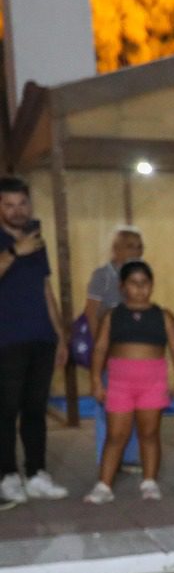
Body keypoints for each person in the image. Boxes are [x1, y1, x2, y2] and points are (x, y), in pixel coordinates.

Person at [83, 261, 174, 503]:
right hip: (120, 384)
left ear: (152, 286)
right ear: (122, 287)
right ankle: (104, 485)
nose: (140, 288)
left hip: (152, 384)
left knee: (149, 433)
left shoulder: (164, 316)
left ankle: (149, 481)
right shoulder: (113, 316)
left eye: (145, 283)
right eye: (134, 283)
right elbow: (99, 349)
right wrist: (96, 380)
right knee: (115, 435)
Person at [0, 176, 71, 504]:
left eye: (22, 203)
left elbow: (45, 288)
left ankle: (36, 473)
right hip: (6, 340)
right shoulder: (12, 242)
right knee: (5, 410)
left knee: (35, 409)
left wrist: (59, 334)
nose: (17, 211)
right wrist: (15, 251)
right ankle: (6, 476)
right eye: (9, 205)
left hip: (40, 337)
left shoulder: (36, 237)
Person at [82, 226, 144, 340]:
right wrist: (99, 345)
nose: (137, 252)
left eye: (139, 247)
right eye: (130, 247)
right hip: (109, 339)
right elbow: (91, 313)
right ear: (116, 248)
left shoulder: (141, 274)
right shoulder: (103, 275)